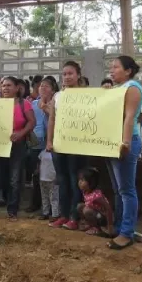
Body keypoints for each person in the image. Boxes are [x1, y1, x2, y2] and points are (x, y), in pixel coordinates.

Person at [0, 76, 35, 221]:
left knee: (14, 180)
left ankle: (12, 211)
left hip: (17, 146)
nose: (5, 88)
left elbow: (32, 122)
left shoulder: (24, 104)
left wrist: (20, 134)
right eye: (3, 85)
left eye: (9, 85)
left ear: (17, 88)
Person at [106, 55, 142, 250]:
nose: (111, 71)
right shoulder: (117, 89)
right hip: (111, 141)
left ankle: (126, 233)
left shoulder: (132, 88)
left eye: (116, 67)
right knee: (118, 189)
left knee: (127, 190)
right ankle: (119, 227)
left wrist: (125, 142)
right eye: (111, 68)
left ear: (128, 71)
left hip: (125, 141)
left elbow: (129, 117)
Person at [46, 61, 87, 231]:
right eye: (64, 74)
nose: (67, 77)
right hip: (59, 145)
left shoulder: (87, 95)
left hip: (77, 145)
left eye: (70, 73)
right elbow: (52, 119)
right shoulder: (58, 96)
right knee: (61, 180)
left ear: (78, 75)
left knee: (74, 180)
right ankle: (63, 215)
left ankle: (74, 217)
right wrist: (49, 141)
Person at [25, 76, 56, 214]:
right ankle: (37, 204)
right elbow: (30, 122)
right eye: (41, 86)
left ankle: (53, 208)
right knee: (36, 176)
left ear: (53, 90)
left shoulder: (56, 104)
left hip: (51, 146)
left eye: (46, 86)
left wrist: (46, 109)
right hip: (35, 145)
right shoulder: (33, 104)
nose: (42, 88)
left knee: (51, 178)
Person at [77, 167, 114, 237]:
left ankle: (97, 228)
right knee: (80, 206)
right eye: (79, 179)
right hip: (96, 213)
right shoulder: (85, 191)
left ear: (91, 183)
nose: (79, 182)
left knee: (86, 210)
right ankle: (88, 224)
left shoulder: (97, 196)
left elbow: (108, 208)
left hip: (103, 218)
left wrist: (110, 226)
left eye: (82, 180)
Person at [38, 149, 59, 221]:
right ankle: (45, 213)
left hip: (53, 178)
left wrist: (57, 176)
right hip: (42, 178)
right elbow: (39, 164)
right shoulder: (42, 152)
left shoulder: (57, 153)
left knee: (54, 197)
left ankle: (55, 214)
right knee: (44, 197)